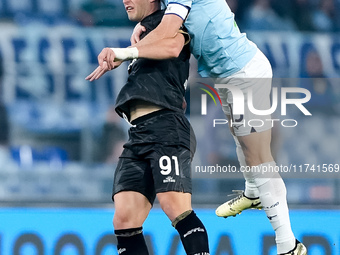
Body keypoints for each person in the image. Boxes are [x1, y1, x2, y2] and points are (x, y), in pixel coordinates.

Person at [94, 0, 307, 254]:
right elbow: (159, 16)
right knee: (245, 146)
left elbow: (170, 35)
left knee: (259, 158)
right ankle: (253, 192)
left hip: (244, 70)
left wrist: (126, 51)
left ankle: (288, 244)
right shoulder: (165, 5)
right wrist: (142, 25)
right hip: (225, 77)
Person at [86, 0, 210, 254]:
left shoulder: (169, 21)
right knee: (124, 219)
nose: (125, 1)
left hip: (166, 127)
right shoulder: (143, 33)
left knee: (175, 206)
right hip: (139, 133)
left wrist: (125, 52)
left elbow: (174, 46)